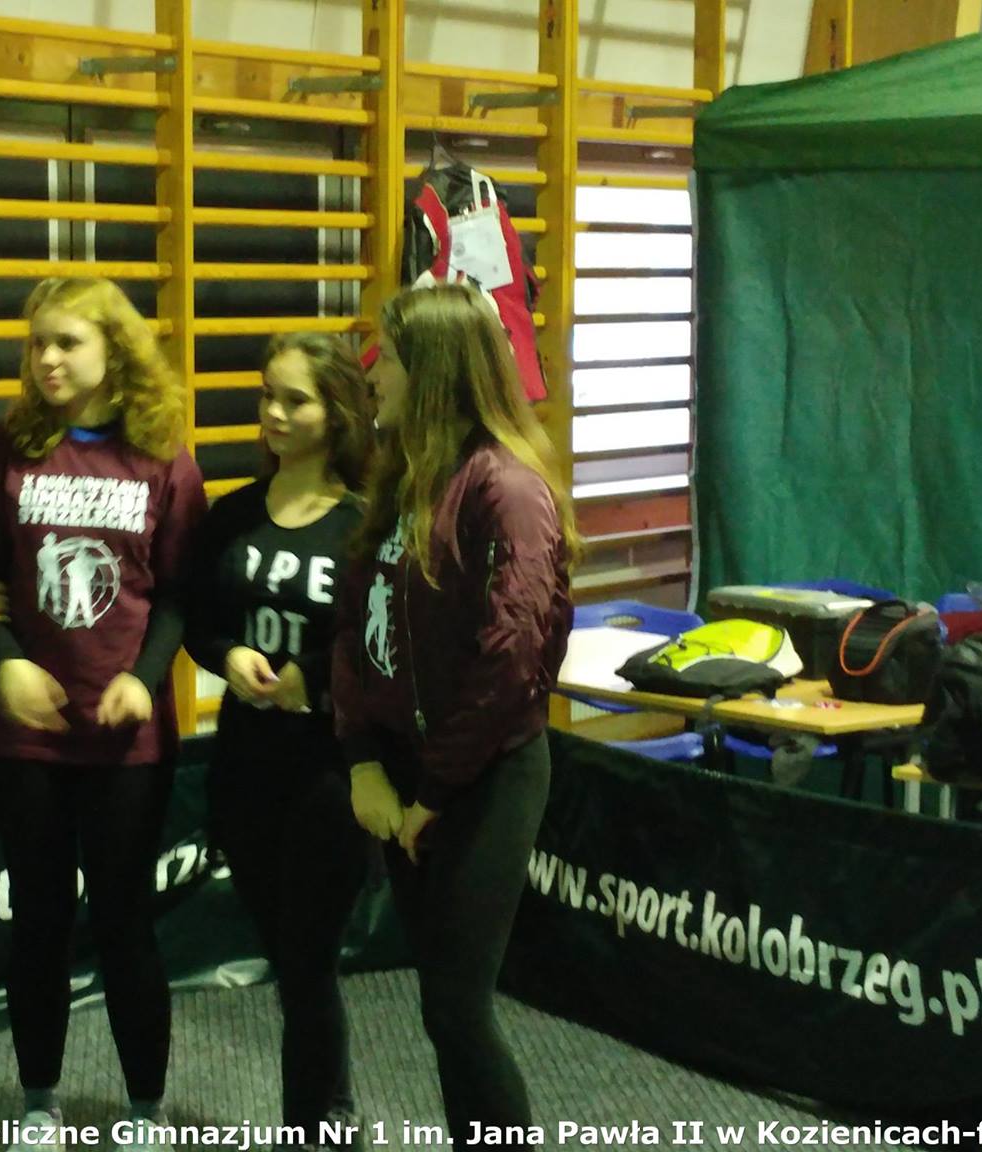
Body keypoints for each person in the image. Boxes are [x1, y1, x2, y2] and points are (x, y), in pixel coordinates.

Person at [0, 278, 205, 1152]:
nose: (47, 359)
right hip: (27, 738)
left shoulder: (163, 456)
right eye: (37, 344)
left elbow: (181, 591)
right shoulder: (10, 446)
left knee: (125, 921)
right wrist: (6, 660)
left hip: (127, 739)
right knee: (40, 919)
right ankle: (37, 1103)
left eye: (67, 342)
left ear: (114, 351)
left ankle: (145, 1109)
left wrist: (145, 676)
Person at [332, 283, 580, 1149]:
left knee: (457, 1006)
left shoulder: (506, 489)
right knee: (442, 1008)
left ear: (433, 369)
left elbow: (510, 660)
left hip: (483, 778)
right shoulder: (403, 474)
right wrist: (363, 758)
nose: (372, 374)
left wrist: (435, 791)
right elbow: (353, 627)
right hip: (407, 776)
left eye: (388, 357)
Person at [182, 333, 374, 1150]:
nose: (274, 413)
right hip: (245, 768)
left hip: (328, 773)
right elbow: (197, 619)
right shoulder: (232, 513)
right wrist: (227, 656)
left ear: (337, 413)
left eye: (295, 399)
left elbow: (383, 647)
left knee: (307, 960)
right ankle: (332, 1109)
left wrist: (315, 680)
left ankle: (317, 1123)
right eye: (268, 394)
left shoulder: (365, 524)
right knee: (290, 960)